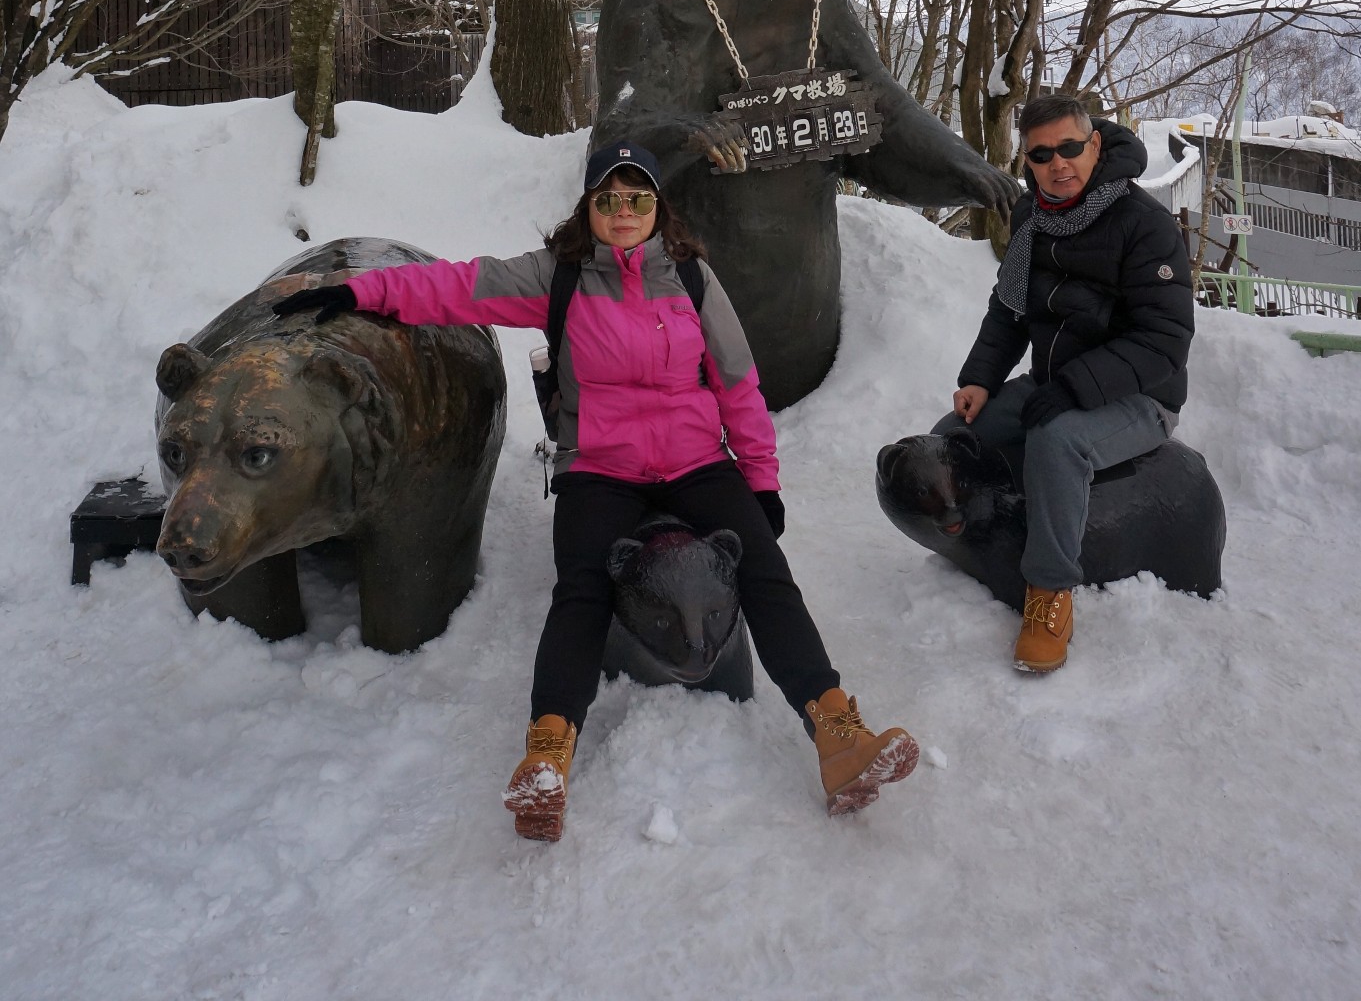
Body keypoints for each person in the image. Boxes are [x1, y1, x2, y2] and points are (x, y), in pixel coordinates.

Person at [274, 140, 917, 841]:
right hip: (599, 466)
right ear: (588, 206)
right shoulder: (559, 277)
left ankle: (837, 733)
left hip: (695, 458)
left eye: (637, 198)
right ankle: (545, 759)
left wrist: (759, 479)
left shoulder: (693, 279)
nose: (622, 211)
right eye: (607, 199)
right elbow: (457, 287)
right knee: (580, 588)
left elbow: (736, 382)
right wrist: (356, 291)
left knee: (766, 573)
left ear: (657, 207)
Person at [936, 95, 1194, 674]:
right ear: (1027, 160)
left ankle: (1050, 591)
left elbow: (1165, 340)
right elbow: (1008, 311)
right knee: (954, 434)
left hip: (1141, 397)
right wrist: (980, 379)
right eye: (1042, 154)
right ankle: (993, 541)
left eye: (1070, 148)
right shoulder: (1033, 218)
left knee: (1058, 441)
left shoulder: (1143, 224)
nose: (1059, 164)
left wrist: (1075, 389)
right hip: (1056, 382)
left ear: (1095, 143)